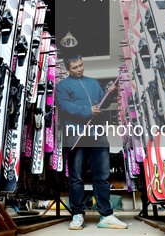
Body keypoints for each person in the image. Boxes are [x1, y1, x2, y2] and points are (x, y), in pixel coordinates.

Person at [55, 54, 128, 230]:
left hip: (97, 134)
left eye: (81, 65)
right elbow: (65, 107)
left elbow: (101, 103)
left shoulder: (93, 83)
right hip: (76, 135)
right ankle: (78, 214)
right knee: (76, 177)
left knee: (102, 176)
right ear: (68, 69)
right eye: (75, 67)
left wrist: (109, 94)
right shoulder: (62, 86)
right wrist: (87, 111)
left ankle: (106, 215)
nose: (79, 69)